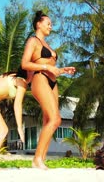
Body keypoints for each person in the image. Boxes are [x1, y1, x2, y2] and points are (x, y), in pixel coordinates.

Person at [20, 10, 76, 170]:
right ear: (38, 24)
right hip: (40, 79)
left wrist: (63, 70)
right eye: (48, 23)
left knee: (48, 121)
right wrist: (45, 67)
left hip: (53, 82)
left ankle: (41, 159)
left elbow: (52, 67)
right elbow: (25, 64)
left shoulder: (47, 45)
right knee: (56, 119)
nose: (51, 26)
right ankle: (37, 159)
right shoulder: (33, 41)